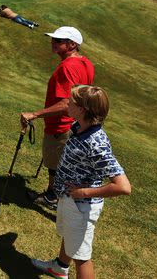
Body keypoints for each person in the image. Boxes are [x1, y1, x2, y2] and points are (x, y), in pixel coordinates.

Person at [31, 85, 130, 279]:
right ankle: (59, 268)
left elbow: (123, 186)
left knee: (82, 257)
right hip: (70, 200)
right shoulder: (79, 127)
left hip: (81, 206)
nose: (67, 104)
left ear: (82, 110)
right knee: (71, 239)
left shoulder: (96, 142)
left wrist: (84, 192)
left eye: (71, 102)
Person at [20, 26, 95, 210]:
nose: (53, 42)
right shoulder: (86, 63)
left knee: (56, 164)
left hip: (62, 125)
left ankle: (53, 197)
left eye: (58, 40)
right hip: (78, 123)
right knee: (61, 163)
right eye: (53, 39)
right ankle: (53, 194)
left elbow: (65, 104)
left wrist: (35, 114)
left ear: (72, 45)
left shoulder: (67, 67)